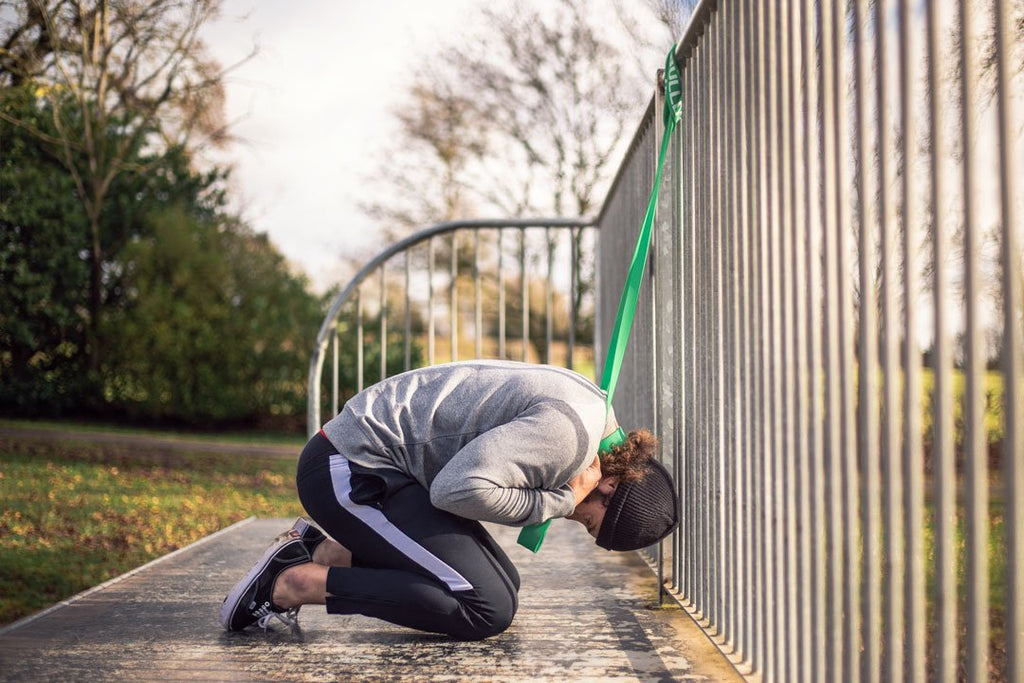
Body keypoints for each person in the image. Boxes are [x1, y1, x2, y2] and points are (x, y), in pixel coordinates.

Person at [220, 360, 678, 640]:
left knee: (505, 586)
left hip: (386, 471)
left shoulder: (594, 415)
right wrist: (556, 502)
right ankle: (292, 583)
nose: (577, 521)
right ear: (610, 487)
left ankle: (320, 551)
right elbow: (457, 490)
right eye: (590, 522)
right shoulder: (567, 440)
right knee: (486, 608)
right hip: (350, 469)